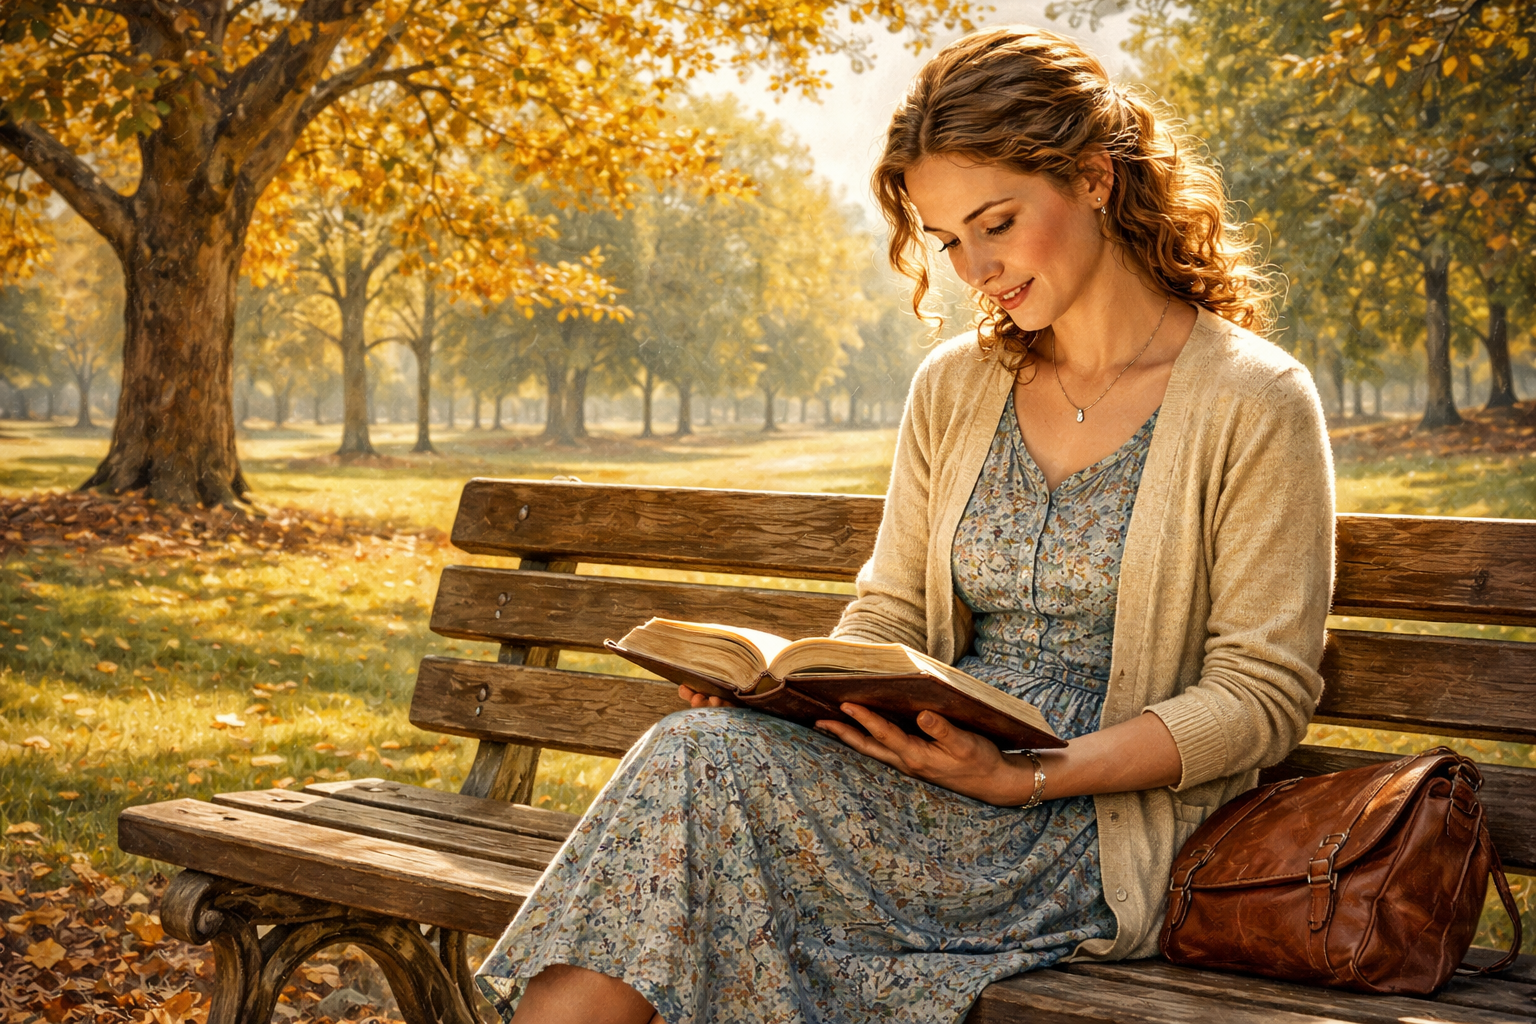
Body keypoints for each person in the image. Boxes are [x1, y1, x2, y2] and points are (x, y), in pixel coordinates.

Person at [475, 24, 1334, 1024]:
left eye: (997, 223)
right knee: (699, 753)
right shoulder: (957, 386)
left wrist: (1025, 777)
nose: (975, 267)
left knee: (696, 791)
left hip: (1089, 827)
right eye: (948, 239)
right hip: (924, 775)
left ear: (1096, 178)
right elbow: (889, 612)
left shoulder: (1253, 398)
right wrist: (789, 699)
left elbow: (1260, 695)